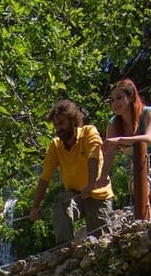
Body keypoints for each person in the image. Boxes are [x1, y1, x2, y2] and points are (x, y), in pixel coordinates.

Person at [28, 99, 114, 245]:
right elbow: (45, 177)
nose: (58, 128)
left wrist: (91, 183)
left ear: (73, 121)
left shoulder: (88, 132)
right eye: (55, 125)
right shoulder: (55, 145)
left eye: (61, 123)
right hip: (76, 195)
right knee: (61, 201)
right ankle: (64, 249)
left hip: (98, 194)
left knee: (102, 244)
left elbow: (94, 155)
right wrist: (35, 206)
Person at [98, 78, 151, 211]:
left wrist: (119, 140)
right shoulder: (113, 123)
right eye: (112, 100)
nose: (114, 103)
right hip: (139, 170)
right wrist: (103, 176)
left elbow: (148, 138)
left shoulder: (149, 112)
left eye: (119, 98)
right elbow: (109, 153)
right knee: (143, 202)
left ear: (131, 97)